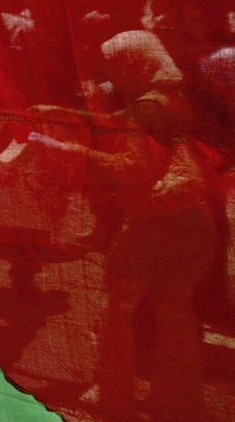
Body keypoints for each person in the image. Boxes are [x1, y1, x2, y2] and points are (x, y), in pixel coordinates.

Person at [28, 30, 217, 419]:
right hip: (191, 222)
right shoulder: (173, 98)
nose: (112, 73)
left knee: (117, 307)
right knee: (175, 314)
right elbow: (124, 126)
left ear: (134, 63)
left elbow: (132, 168)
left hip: (154, 224)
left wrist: (68, 150)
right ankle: (178, 400)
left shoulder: (146, 107)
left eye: (117, 64)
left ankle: (114, 395)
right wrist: (69, 115)